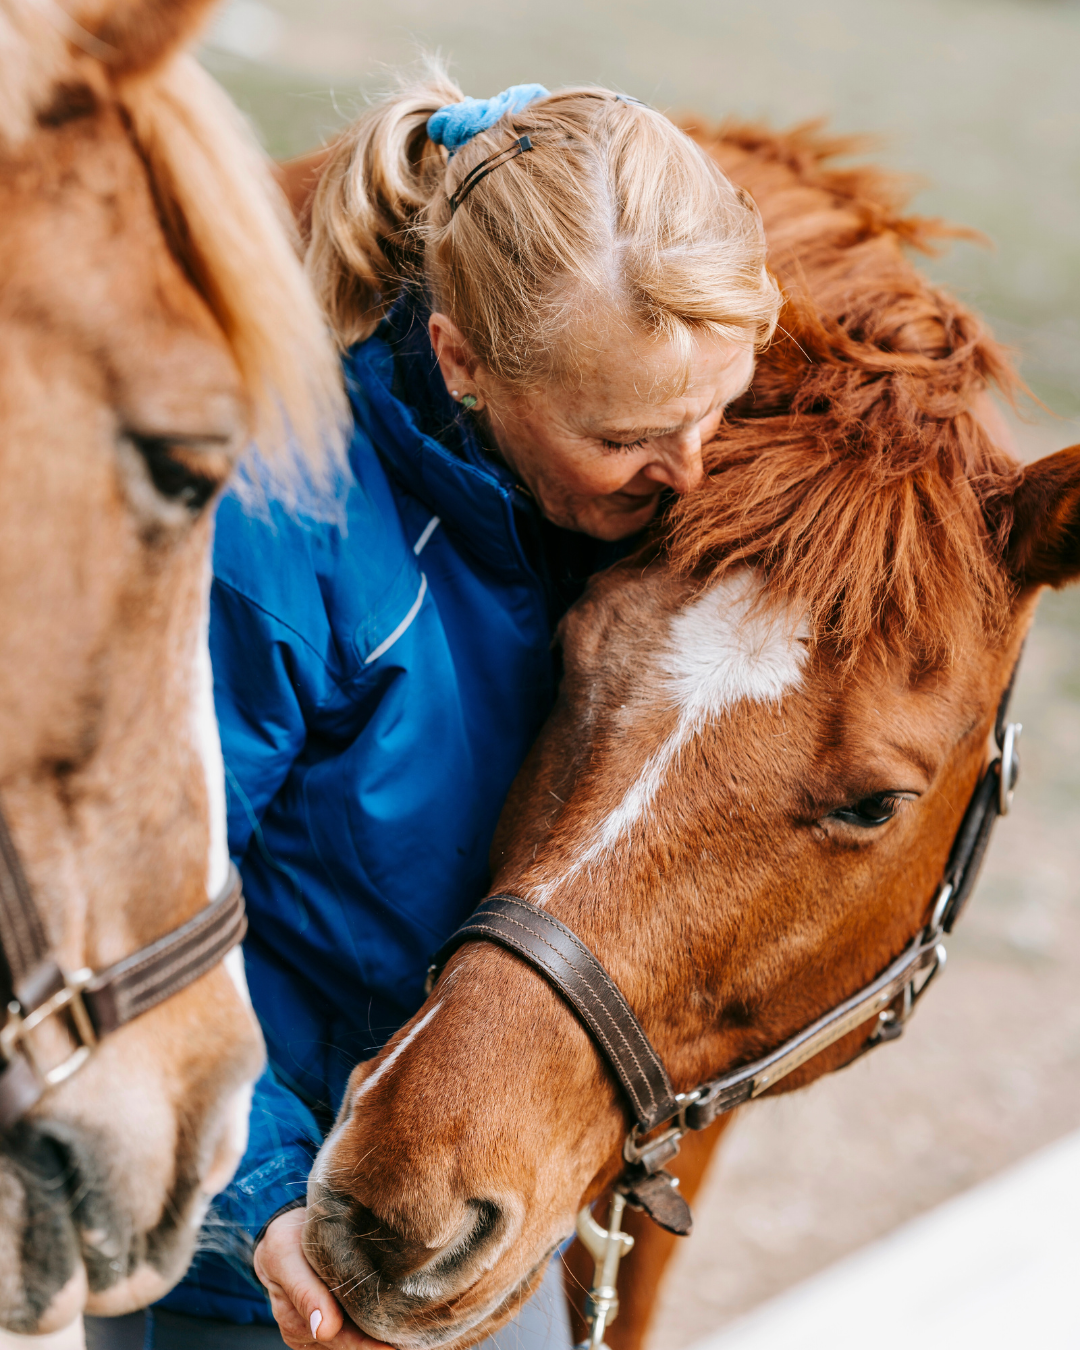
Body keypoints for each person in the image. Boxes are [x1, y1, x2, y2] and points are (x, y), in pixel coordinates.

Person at [84, 69, 778, 1350]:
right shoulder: (270, 544)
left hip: (484, 1172)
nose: (689, 473)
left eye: (720, 406)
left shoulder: (616, 492)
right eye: (630, 433)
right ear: (461, 362)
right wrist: (273, 1202)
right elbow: (133, 928)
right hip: (276, 1249)